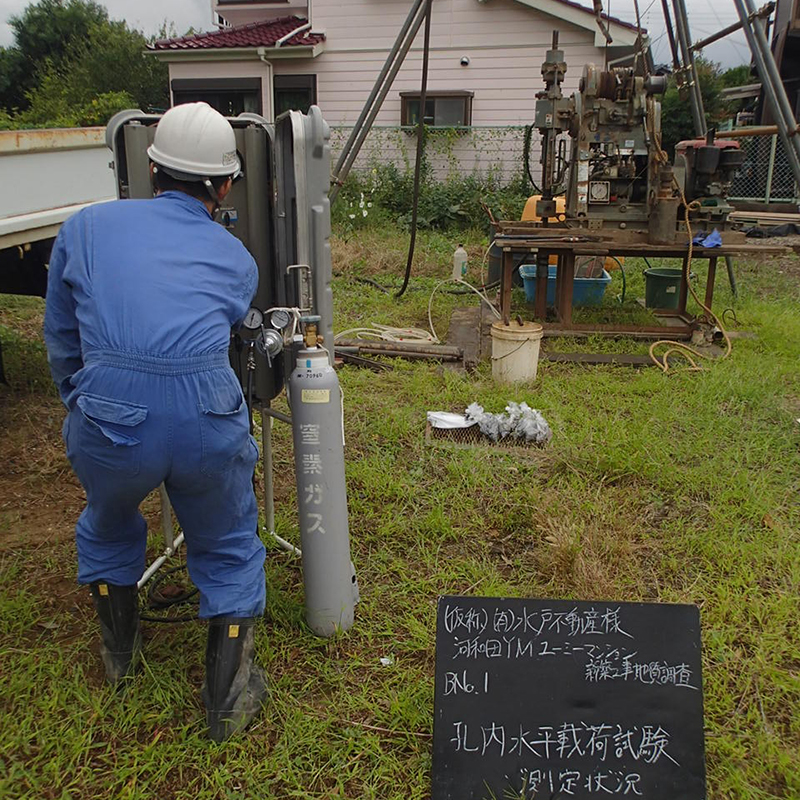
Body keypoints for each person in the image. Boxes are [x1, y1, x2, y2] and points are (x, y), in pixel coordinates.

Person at [43, 102, 267, 742]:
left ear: (149, 167)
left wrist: (82, 402)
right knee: (226, 542)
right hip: (205, 414)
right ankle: (229, 698)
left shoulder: (84, 228)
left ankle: (120, 659)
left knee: (109, 518)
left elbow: (62, 334)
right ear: (224, 185)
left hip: (111, 414)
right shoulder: (236, 257)